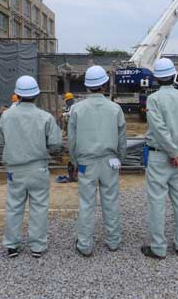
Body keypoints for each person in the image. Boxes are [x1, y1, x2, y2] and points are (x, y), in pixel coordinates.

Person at [0, 75, 63, 258]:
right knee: (39, 207)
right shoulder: (45, 117)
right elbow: (56, 144)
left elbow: (1, 139)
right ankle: (37, 246)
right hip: (38, 169)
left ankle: (12, 245)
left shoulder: (6, 116)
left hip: (14, 170)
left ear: (17, 95)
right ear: (36, 95)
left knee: (14, 206)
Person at [68, 65, 126, 257]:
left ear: (87, 86)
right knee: (110, 201)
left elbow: (72, 140)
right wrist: (120, 160)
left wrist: (76, 162)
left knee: (86, 203)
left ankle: (85, 245)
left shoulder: (76, 109)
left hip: (86, 163)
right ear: (104, 84)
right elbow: (122, 139)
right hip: (110, 161)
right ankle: (113, 241)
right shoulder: (115, 109)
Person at [141, 58, 178, 259]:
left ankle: (158, 248)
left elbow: (159, 129)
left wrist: (173, 153)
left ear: (156, 78)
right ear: (174, 76)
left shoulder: (154, 99)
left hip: (159, 156)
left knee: (157, 201)